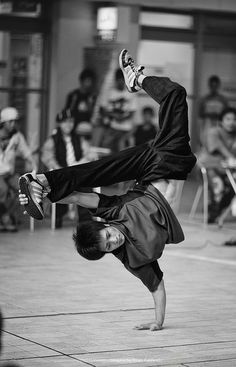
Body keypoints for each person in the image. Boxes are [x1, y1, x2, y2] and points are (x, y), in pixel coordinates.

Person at [18, 49, 196, 331]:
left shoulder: (112, 213)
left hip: (149, 171)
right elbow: (157, 288)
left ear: (104, 227)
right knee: (175, 95)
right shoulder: (136, 260)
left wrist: (50, 198)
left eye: (107, 235)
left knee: (97, 169)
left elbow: (78, 196)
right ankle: (135, 79)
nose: (113, 239)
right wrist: (158, 322)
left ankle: (41, 182)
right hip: (174, 161)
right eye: (110, 245)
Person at [41, 108, 96, 228]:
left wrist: (81, 162)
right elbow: (47, 157)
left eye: (71, 121)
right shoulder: (53, 140)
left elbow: (89, 153)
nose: (68, 124)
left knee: (85, 184)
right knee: (59, 184)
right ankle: (59, 216)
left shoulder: (79, 138)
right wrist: (60, 170)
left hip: (77, 172)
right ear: (60, 123)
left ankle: (85, 218)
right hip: (61, 172)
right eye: (65, 121)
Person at [0, 107, 37, 232]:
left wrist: (32, 163)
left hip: (9, 173)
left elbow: (26, 152)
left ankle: (6, 217)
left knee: (23, 189)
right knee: (3, 190)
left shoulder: (17, 136)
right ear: (3, 122)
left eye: (15, 121)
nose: (13, 124)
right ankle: (5, 218)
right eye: (10, 121)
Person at [198, 107, 236, 223]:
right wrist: (230, 157)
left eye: (234, 119)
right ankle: (214, 211)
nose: (231, 122)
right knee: (218, 186)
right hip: (209, 167)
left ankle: (217, 209)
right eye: (228, 119)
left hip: (227, 169)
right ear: (221, 121)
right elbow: (217, 147)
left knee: (234, 183)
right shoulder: (213, 132)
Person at [95, 68, 137, 152]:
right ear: (116, 80)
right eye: (119, 80)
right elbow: (102, 109)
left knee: (124, 152)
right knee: (106, 150)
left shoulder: (131, 93)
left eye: (123, 79)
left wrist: (122, 118)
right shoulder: (108, 92)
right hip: (111, 128)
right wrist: (113, 116)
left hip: (126, 129)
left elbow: (132, 111)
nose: (121, 82)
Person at [64, 68, 97, 135]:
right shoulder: (73, 95)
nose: (89, 84)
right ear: (82, 81)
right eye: (87, 81)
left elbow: (94, 114)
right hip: (73, 127)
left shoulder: (92, 97)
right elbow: (67, 111)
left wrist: (90, 104)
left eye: (91, 81)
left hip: (86, 128)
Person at [199, 75, 228, 146]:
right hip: (207, 124)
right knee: (206, 143)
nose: (213, 88)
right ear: (209, 86)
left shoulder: (223, 99)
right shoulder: (204, 99)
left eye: (215, 86)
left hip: (219, 124)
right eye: (212, 85)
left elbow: (227, 114)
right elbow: (200, 115)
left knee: (218, 143)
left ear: (218, 86)